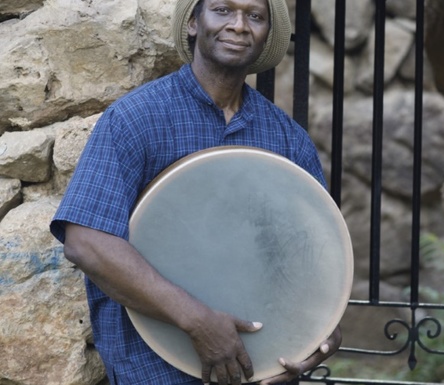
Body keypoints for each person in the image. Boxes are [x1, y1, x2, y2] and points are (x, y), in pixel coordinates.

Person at [49, 0, 341, 384]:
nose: (239, 25)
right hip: (153, 368)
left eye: (255, 16)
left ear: (267, 34)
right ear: (192, 23)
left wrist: (315, 335)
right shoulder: (137, 118)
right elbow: (87, 242)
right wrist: (198, 322)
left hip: (257, 371)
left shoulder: (287, 140)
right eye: (223, 10)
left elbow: (317, 266)